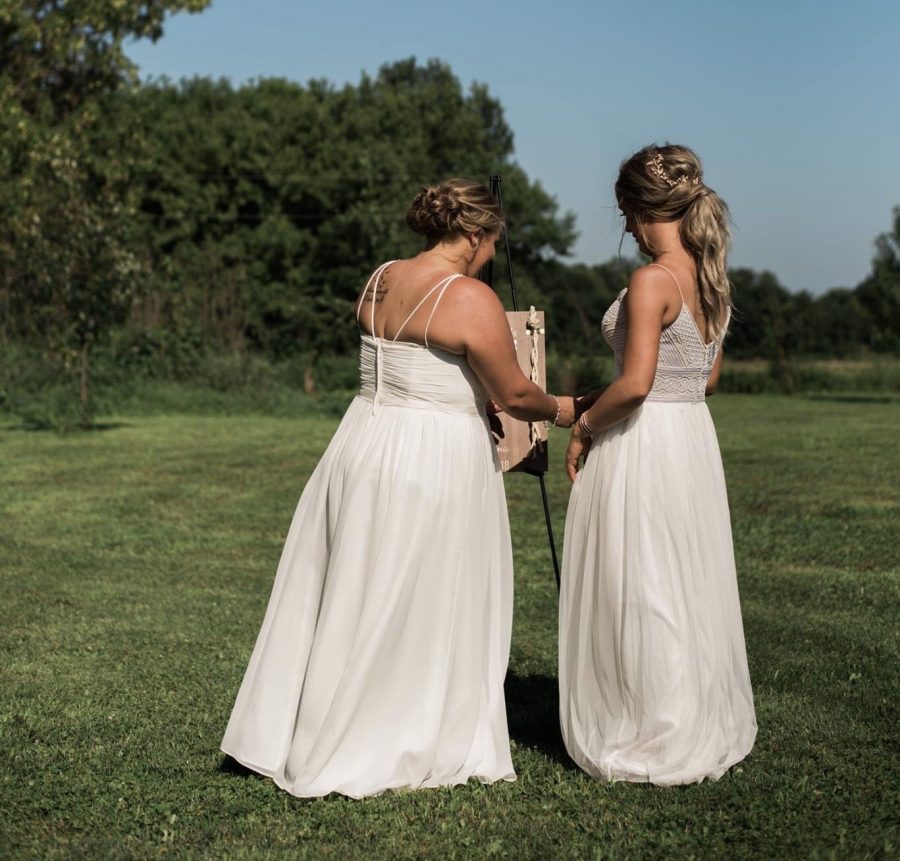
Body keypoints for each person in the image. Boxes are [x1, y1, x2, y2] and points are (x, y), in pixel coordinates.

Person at [221, 177, 575, 798]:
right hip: (430, 454)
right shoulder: (469, 297)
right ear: (473, 233)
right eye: (492, 240)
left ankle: (308, 723)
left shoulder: (380, 277)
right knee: (423, 589)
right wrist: (569, 410)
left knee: (357, 585)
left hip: (363, 440)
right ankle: (392, 728)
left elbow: (422, 366)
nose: (492, 252)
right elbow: (515, 393)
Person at [559, 144, 756, 785]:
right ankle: (681, 711)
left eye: (625, 212)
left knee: (644, 581)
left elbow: (638, 384)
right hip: (690, 439)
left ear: (644, 210)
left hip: (644, 441)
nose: (625, 228)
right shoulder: (710, 278)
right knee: (679, 578)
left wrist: (586, 426)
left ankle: (654, 726)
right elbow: (703, 379)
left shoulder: (650, 281)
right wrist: (598, 396)